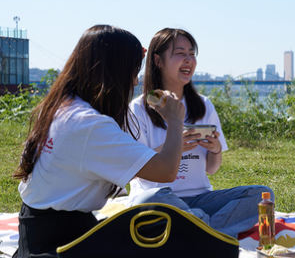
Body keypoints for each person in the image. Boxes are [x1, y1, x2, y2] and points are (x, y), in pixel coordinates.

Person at [12, 25, 186, 258]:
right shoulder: (89, 126)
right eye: (132, 71)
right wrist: (175, 121)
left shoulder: (62, 107)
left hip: (37, 231)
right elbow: (166, 171)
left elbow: (112, 160)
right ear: (114, 72)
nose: (134, 81)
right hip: (60, 243)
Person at [127, 28, 273, 238]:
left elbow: (212, 169)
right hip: (160, 197)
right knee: (147, 201)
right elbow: (134, 167)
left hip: (201, 199)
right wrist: (172, 145)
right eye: (180, 53)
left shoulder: (204, 105)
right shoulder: (139, 108)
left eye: (192, 54)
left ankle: (199, 231)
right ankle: (211, 231)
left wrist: (215, 150)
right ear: (158, 61)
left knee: (261, 195)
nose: (188, 60)